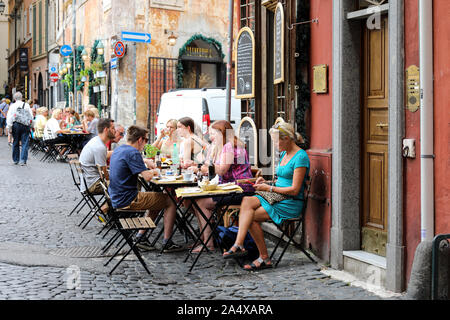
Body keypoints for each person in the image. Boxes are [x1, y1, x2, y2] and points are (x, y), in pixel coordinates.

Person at [222, 120, 310, 271]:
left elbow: (294, 189)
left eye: (276, 141)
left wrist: (268, 188)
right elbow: (281, 181)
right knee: (247, 203)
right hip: (277, 196)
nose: (275, 145)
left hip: (290, 202)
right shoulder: (284, 154)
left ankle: (259, 255)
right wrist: (268, 182)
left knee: (249, 215)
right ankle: (241, 245)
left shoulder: (300, 157)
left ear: (287, 139)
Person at [108, 125, 184, 252]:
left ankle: (141, 236)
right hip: (128, 199)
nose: (146, 143)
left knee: (157, 198)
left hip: (116, 197)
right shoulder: (133, 152)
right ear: (140, 140)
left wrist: (145, 162)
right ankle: (167, 242)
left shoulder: (120, 149)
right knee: (170, 201)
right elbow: (148, 177)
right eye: (146, 140)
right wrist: (155, 170)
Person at [190, 120, 254, 253]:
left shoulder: (230, 146)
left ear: (222, 133)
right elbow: (211, 166)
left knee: (201, 202)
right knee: (196, 200)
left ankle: (208, 242)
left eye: (213, 133)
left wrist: (203, 167)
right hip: (230, 188)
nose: (210, 136)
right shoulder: (225, 145)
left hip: (239, 190)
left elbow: (222, 170)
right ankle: (205, 239)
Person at [79, 118, 115, 196]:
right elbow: (104, 174)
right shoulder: (99, 147)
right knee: (126, 184)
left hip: (87, 182)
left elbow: (105, 155)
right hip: (93, 185)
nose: (115, 131)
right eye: (112, 128)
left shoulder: (96, 140)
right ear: (106, 129)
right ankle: (107, 207)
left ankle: (111, 206)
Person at [6, 92, 34, 166]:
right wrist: (31, 125)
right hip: (25, 125)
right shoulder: (26, 105)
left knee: (15, 141)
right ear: (22, 98)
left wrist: (9, 127)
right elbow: (30, 116)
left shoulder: (12, 106)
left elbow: (9, 117)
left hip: (16, 125)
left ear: (14, 98)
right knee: (25, 142)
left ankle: (16, 159)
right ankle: (23, 160)